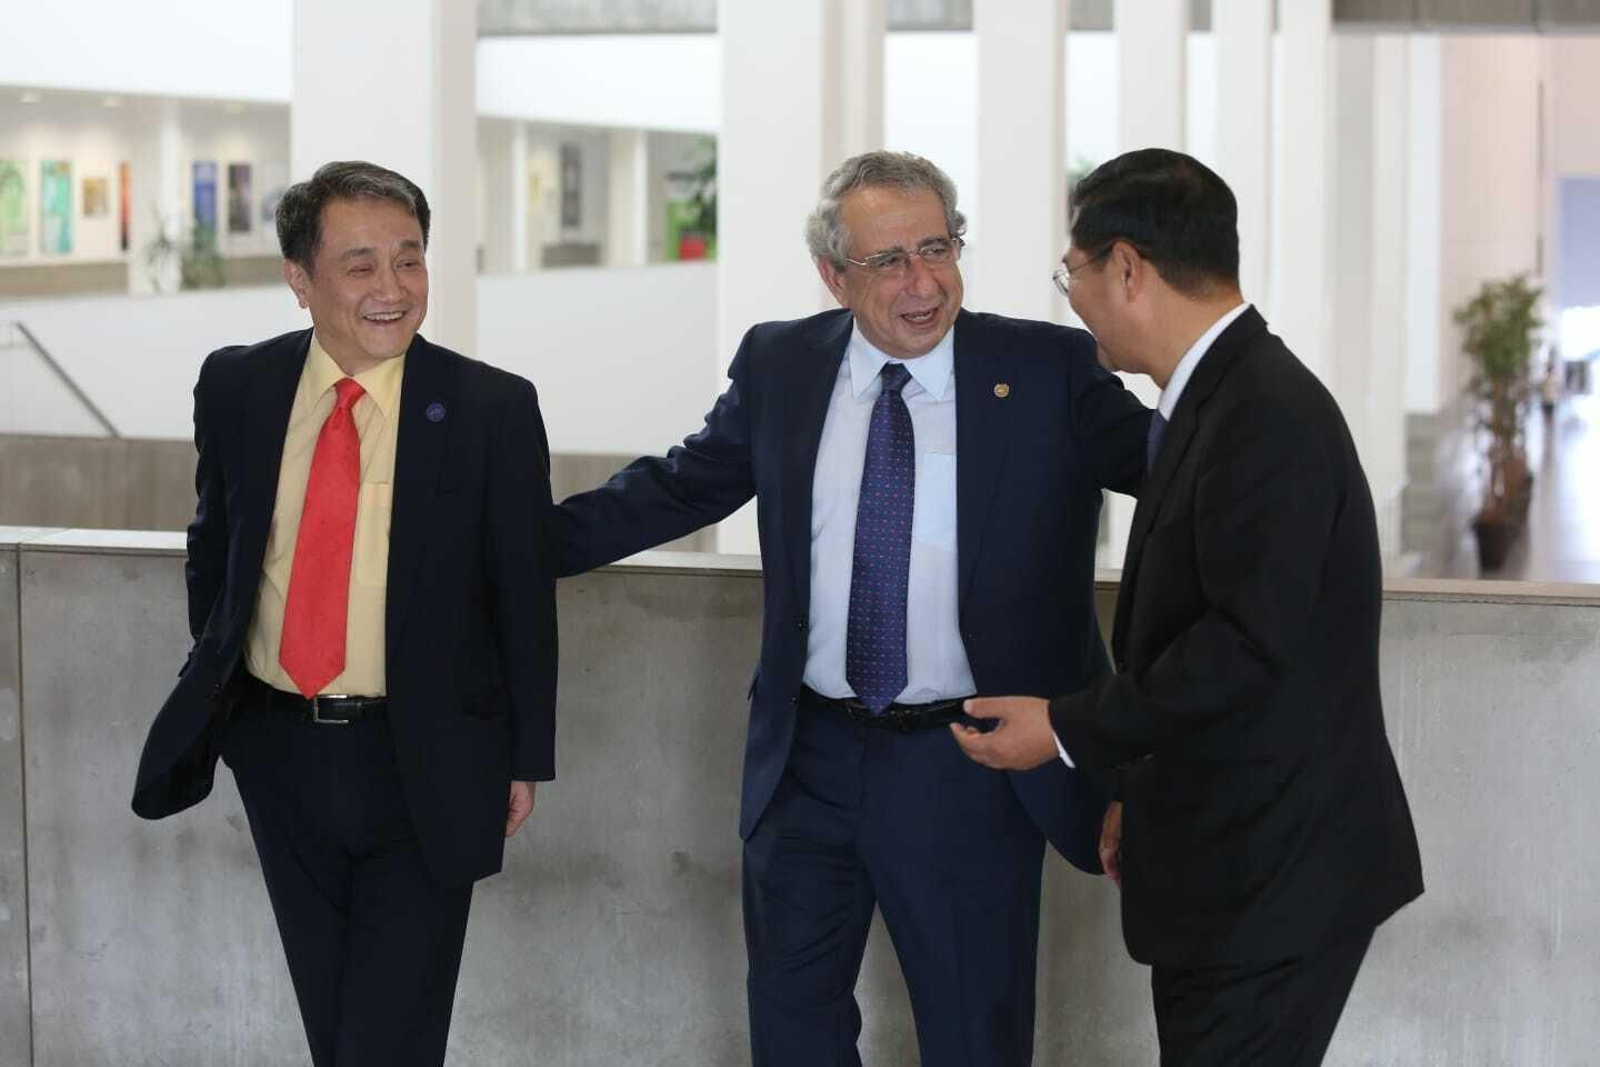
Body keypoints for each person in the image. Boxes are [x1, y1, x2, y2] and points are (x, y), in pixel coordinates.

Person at [547, 150, 1150, 1067]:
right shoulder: (783, 362)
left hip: (970, 766)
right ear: (834, 276)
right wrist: (504, 550)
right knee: (793, 1032)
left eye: (938, 248)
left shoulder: (1045, 368)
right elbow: (674, 490)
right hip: (808, 762)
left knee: (973, 1040)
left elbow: (1186, 476)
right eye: (889, 261)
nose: (924, 283)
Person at [951, 148, 1424, 1066]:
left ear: (1126, 266)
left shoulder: (1265, 414)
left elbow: (1242, 648)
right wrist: (1138, 790)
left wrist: (1064, 729)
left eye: (1073, 272)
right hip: (1227, 855)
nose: (1071, 296)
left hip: (1274, 877)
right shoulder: (1212, 396)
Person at [130, 160, 558, 1065]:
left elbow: (522, 592)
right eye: (361, 265)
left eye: (410, 261)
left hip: (426, 761)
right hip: (280, 752)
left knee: (389, 1039)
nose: (392, 289)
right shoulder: (239, 386)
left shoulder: (491, 408)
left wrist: (523, 757)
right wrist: (233, 704)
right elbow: (217, 545)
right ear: (301, 279)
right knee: (335, 1028)